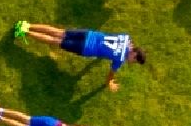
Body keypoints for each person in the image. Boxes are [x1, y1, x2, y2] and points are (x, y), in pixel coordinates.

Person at [13, 22, 145, 92]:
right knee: (57, 41)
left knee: (59, 32)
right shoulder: (119, 60)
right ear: (134, 54)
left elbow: (117, 44)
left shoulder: (126, 38)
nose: (131, 62)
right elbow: (111, 73)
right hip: (85, 48)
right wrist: (109, 82)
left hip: (88, 34)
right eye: (134, 60)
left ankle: (27, 25)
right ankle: (24, 32)